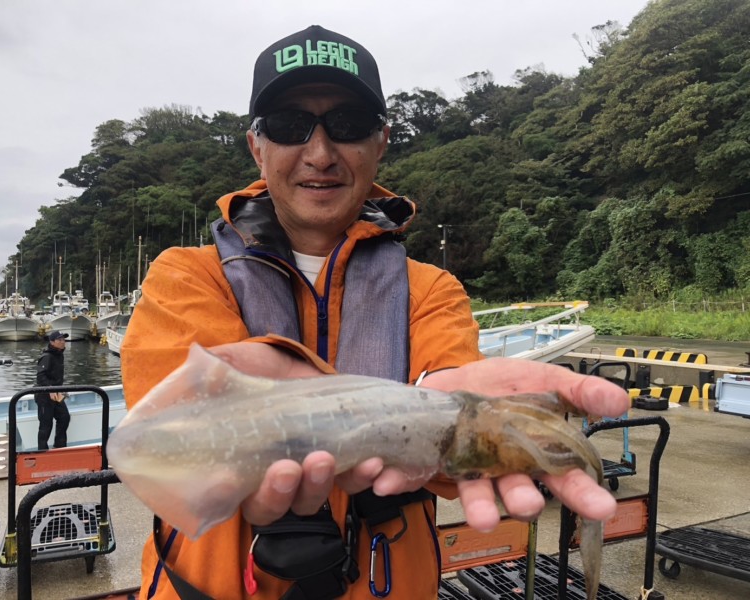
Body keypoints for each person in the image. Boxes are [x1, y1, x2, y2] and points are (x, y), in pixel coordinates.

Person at [120, 25, 629, 600]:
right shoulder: (185, 275)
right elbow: (171, 430)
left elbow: (449, 411)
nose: (320, 154)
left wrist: (460, 414)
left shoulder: (432, 290)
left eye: (349, 124)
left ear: (381, 141)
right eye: (288, 125)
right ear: (256, 147)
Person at [35, 330, 70, 450]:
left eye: (63, 339)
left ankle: (60, 446)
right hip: (44, 395)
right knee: (46, 424)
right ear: (52, 342)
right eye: (59, 340)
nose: (62, 342)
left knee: (64, 417)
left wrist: (60, 390)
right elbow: (40, 376)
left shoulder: (59, 355)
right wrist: (49, 388)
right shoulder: (47, 357)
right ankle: (42, 451)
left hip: (57, 392)